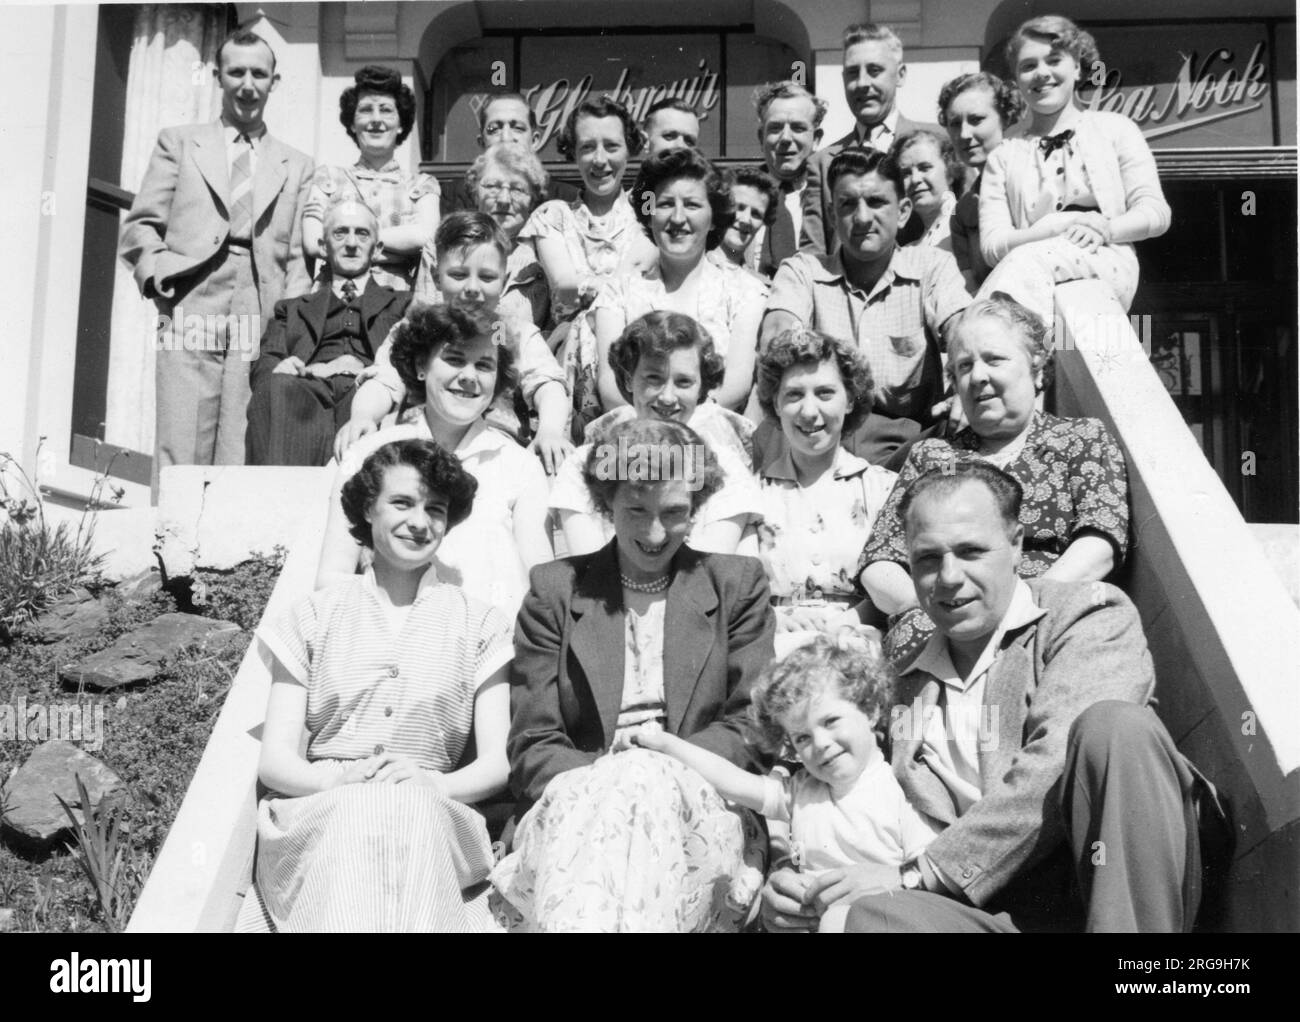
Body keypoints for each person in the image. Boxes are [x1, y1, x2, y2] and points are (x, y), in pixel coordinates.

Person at [763, 461, 1214, 933]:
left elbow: (1056, 760)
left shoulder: (1087, 615)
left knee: (1114, 727)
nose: (949, 577)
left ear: (1017, 545)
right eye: (928, 559)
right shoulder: (904, 681)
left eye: (971, 551)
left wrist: (922, 873)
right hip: (992, 917)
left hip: (1104, 890)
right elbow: (819, 758)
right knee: (861, 917)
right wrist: (790, 876)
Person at [492, 418, 776, 932]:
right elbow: (533, 745)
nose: (654, 533)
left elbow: (752, 729)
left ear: (697, 508)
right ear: (605, 505)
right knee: (631, 783)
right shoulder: (555, 591)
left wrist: (662, 761)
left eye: (674, 513)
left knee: (644, 778)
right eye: (635, 511)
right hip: (575, 800)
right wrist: (612, 775)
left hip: (701, 801)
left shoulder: (737, 585)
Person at [251, 438, 513, 931]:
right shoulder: (312, 617)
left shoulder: (481, 624)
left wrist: (433, 783)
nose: (420, 521)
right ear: (368, 509)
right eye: (402, 503)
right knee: (361, 812)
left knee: (405, 808)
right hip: (324, 812)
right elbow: (275, 761)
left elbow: (498, 762)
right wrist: (341, 781)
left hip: (431, 813)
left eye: (435, 508)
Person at [859, 296, 1128, 657]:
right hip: (942, 615)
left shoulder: (1080, 439)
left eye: (995, 359)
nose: (979, 376)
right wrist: (932, 608)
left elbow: (1101, 540)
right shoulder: (932, 455)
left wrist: (1018, 608)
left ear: (1036, 367)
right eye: (965, 365)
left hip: (1047, 608)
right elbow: (880, 560)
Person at [634, 633, 936, 932]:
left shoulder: (901, 789)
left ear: (870, 711)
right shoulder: (801, 791)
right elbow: (732, 781)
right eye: (802, 737)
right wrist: (667, 746)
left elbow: (926, 878)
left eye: (831, 722)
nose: (821, 743)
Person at [118, 28, 313, 490]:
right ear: (217, 76)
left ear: (274, 82)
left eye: (259, 74)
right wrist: (159, 278)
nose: (248, 84)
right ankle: (169, 545)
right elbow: (141, 225)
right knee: (182, 432)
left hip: (257, 302)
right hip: (192, 296)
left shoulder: (297, 164)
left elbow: (301, 257)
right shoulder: (181, 142)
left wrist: (292, 327)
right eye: (237, 72)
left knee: (241, 436)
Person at [317, 304, 551, 619]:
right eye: (454, 359)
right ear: (420, 366)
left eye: (484, 365)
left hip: (489, 647)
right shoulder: (369, 453)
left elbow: (542, 584)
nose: (469, 377)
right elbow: (332, 577)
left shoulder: (520, 466)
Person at [762, 147, 970, 467]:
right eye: (847, 204)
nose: (861, 218)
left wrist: (966, 381)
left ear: (902, 212)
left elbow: (963, 329)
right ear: (832, 215)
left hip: (905, 446)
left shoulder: (931, 267)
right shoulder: (803, 271)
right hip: (815, 435)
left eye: (875, 202)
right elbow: (779, 334)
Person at [343, 211, 572, 474]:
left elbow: (547, 383)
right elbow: (384, 380)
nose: (472, 287)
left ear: (505, 279)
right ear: (436, 275)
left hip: (494, 449)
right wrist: (363, 416)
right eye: (459, 275)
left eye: (486, 277)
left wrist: (550, 430)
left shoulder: (510, 333)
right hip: (420, 443)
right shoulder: (420, 328)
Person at [977, 15, 1171, 321]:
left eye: (1054, 60)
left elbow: (1156, 213)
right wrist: (1053, 228)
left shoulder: (1116, 129)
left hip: (1104, 260)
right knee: (1046, 337)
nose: (1042, 73)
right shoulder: (1003, 154)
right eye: (1028, 66)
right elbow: (992, 245)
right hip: (1029, 270)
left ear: (1077, 66)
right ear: (1016, 79)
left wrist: (1107, 227)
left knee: (1001, 311)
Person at [551, 311, 762, 557]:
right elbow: (589, 561)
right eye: (654, 379)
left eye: (683, 382)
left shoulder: (724, 465)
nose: (667, 397)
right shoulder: (585, 462)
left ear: (701, 387)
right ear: (629, 380)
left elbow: (709, 566)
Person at [591, 148, 767, 418]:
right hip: (635, 430)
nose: (677, 218)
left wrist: (681, 421)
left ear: (713, 218)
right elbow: (610, 386)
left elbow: (736, 384)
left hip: (711, 430)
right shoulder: (618, 294)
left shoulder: (745, 292)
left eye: (692, 205)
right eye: (664, 204)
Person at [747, 328, 897, 637]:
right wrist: (772, 618)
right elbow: (738, 592)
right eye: (794, 395)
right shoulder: (751, 495)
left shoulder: (884, 490)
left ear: (850, 400)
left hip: (859, 643)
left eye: (825, 393)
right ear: (775, 404)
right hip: (776, 643)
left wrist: (852, 620)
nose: (809, 411)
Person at [246, 201, 411, 466]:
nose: (351, 243)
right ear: (323, 247)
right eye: (340, 233)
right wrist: (281, 366)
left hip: (370, 394)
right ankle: (276, 500)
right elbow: (264, 365)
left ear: (377, 249)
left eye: (362, 233)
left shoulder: (403, 304)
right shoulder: (292, 309)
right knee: (276, 387)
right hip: (304, 395)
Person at [801, 23, 939, 257]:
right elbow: (812, 253)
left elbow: (961, 221)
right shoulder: (822, 163)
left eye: (874, 70)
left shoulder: (937, 144)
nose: (863, 83)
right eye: (853, 73)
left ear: (900, 74)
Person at [520, 97, 657, 327]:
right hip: (573, 350)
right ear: (573, 152)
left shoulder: (648, 208)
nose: (600, 160)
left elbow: (646, 267)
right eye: (587, 147)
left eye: (612, 146)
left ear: (628, 151)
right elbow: (565, 287)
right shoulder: (552, 216)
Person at [301, 65, 439, 292]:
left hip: (397, 299)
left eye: (386, 110)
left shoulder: (421, 186)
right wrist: (398, 241)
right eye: (366, 110)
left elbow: (425, 237)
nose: (376, 120)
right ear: (353, 124)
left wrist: (344, 236)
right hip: (333, 296)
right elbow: (314, 241)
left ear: (401, 123)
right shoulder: (329, 178)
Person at [420, 142, 551, 328]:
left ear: (533, 199)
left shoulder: (545, 252)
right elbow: (422, 320)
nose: (504, 200)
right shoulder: (440, 245)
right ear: (475, 192)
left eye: (517, 189)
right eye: (493, 186)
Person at [938, 71, 1023, 293]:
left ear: (1005, 117)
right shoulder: (962, 213)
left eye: (976, 120)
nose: (964, 134)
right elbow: (971, 285)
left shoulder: (1030, 180)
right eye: (955, 123)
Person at [443, 93, 580, 214]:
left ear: (534, 140)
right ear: (482, 142)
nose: (506, 137)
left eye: (518, 128)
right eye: (494, 129)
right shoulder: (453, 197)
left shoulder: (567, 198)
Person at [752, 81, 826, 278]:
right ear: (761, 138)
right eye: (775, 128)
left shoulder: (831, 197)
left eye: (798, 128)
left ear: (816, 138)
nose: (785, 138)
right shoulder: (739, 193)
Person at [892, 129, 962, 252]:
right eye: (906, 173)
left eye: (925, 168)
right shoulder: (910, 250)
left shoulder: (967, 225)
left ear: (950, 172)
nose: (915, 179)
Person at [709, 166, 780, 280]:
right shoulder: (692, 271)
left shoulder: (761, 288)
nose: (745, 220)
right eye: (739, 207)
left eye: (756, 214)